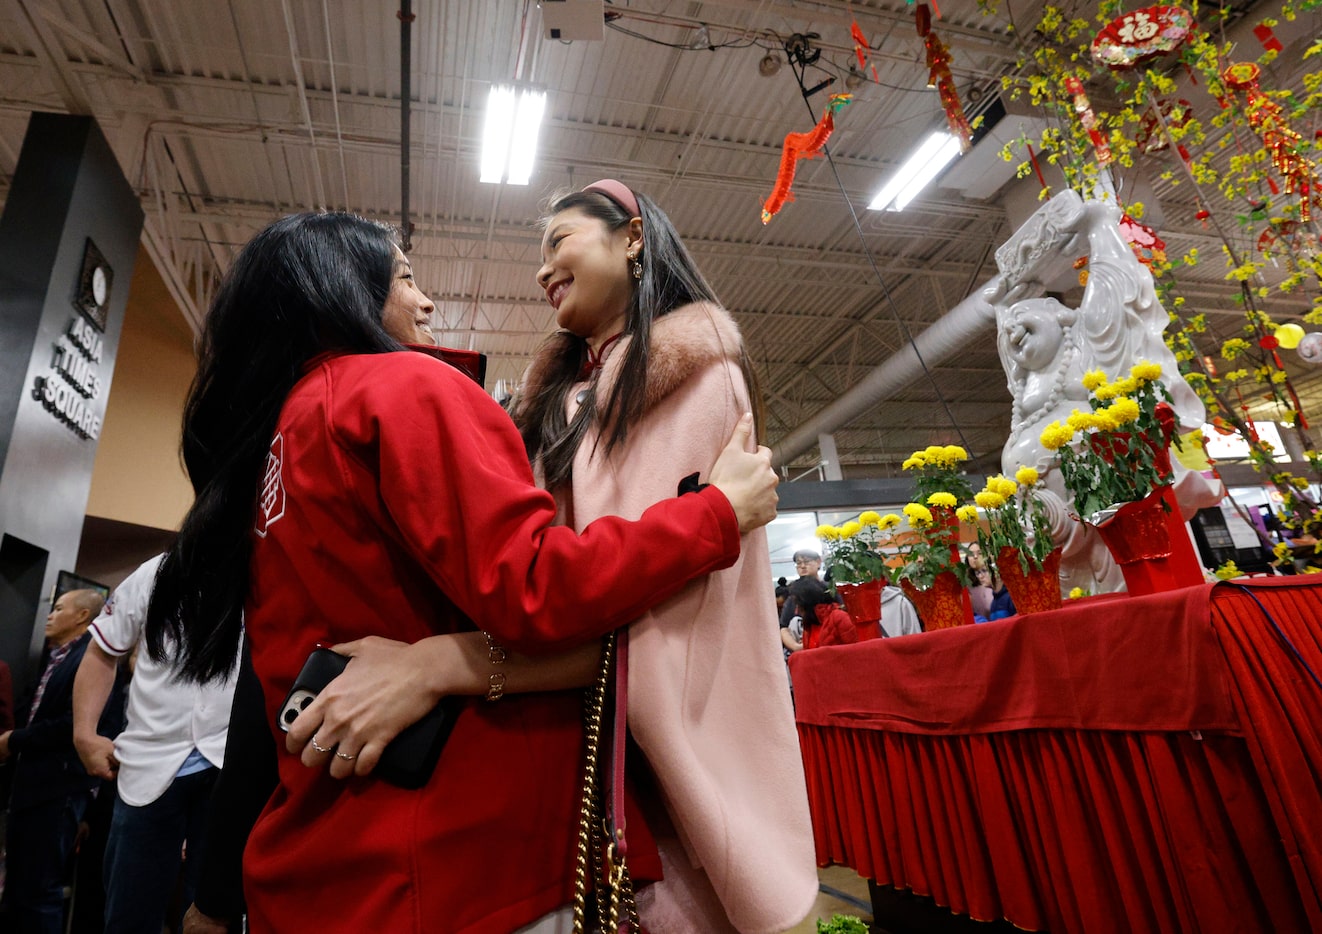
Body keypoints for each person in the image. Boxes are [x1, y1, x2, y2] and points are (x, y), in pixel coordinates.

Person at [140, 211, 779, 934]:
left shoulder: (281, 441)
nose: (427, 303)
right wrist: (716, 513)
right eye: (405, 277)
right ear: (342, 287)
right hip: (462, 854)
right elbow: (534, 587)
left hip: (336, 867)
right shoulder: (397, 390)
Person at [515, 180, 817, 931]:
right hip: (578, 729)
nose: (542, 269)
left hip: (670, 731)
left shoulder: (700, 381)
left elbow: (632, 594)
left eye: (559, 241)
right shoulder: (569, 405)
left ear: (632, 236)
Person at [72, 554, 237, 934]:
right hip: (148, 764)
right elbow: (103, 651)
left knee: (214, 918)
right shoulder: (157, 572)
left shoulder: (270, 571)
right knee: (129, 914)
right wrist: (84, 732)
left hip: (231, 767)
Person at [0, 589, 105, 934]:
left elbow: (73, 726)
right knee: (17, 887)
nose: (49, 614)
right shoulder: (56, 658)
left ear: (81, 617)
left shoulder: (89, 660)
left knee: (39, 891)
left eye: (59, 608)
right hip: (29, 787)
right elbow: (30, 712)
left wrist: (13, 740)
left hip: (57, 792)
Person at [787, 577, 857, 647]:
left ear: (808, 602)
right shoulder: (809, 625)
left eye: (799, 604)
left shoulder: (839, 618)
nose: (796, 611)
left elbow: (856, 650)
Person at [779, 547, 824, 654]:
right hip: (801, 650)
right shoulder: (792, 595)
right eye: (799, 563)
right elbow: (783, 627)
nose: (803, 566)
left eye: (807, 562)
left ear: (818, 562)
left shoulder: (828, 590)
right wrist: (796, 647)